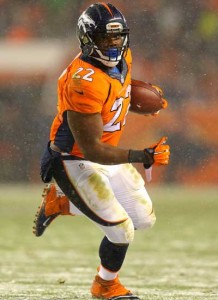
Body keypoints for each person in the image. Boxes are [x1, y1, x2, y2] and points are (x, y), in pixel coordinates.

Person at [33, 3, 170, 299]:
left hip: (103, 152)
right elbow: (92, 148)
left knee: (143, 219)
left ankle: (63, 204)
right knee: (121, 230)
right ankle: (105, 285)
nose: (113, 44)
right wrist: (142, 156)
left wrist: (141, 102)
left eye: (117, 37)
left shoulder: (124, 58)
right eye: (105, 39)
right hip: (74, 159)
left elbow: (118, 91)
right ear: (87, 39)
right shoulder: (83, 81)